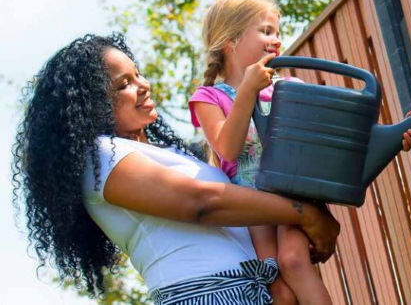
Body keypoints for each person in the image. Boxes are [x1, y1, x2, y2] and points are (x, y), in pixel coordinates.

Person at [11, 33, 340, 305]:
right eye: (123, 84)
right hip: (207, 294)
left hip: (253, 288)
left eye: (137, 73)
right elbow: (201, 202)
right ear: (90, 104)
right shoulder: (99, 158)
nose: (143, 85)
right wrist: (303, 214)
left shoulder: (168, 153)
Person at [189, 0, 411, 305]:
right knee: (282, 294)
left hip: (294, 193)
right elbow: (228, 150)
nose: (276, 39)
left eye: (276, 31)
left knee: (293, 260)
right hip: (253, 205)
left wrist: (396, 136)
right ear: (230, 41)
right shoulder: (208, 97)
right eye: (265, 31)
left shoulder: (292, 89)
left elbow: (334, 141)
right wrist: (248, 89)